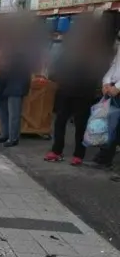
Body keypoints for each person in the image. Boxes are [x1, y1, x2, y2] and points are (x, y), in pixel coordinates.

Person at [44, 14, 110, 166]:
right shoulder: (87, 50)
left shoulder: (88, 51)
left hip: (75, 91)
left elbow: (56, 69)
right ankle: (69, 153)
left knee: (69, 123)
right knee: (72, 123)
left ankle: (65, 152)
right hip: (76, 91)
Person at [0, 17, 42, 147]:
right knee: (3, 111)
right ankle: (4, 134)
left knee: (14, 113)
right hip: (5, 83)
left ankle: (13, 138)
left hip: (16, 84)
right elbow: (2, 66)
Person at [92, 12, 120, 168]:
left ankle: (105, 157)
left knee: (113, 125)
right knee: (108, 123)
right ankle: (104, 156)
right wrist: (106, 82)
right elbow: (114, 66)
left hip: (117, 90)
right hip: (112, 89)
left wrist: (117, 87)